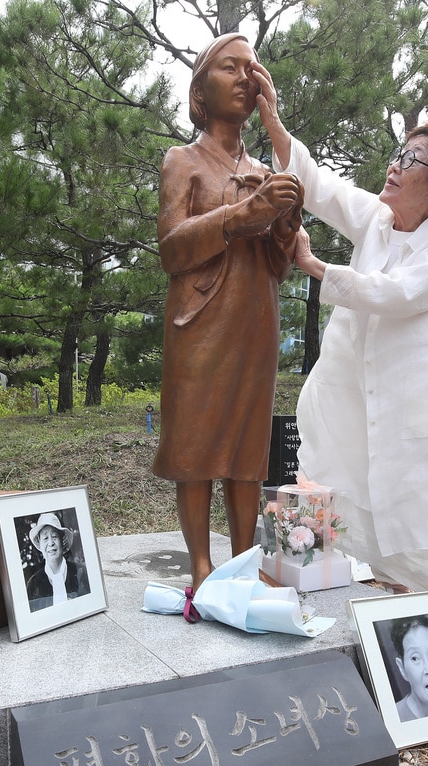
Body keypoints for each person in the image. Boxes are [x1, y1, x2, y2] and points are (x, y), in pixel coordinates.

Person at [253, 63, 428, 654]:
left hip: (426, 381)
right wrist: (273, 119)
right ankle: (370, 586)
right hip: (355, 376)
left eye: (410, 161)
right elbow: (317, 185)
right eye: (399, 154)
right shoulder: (377, 220)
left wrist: (316, 267)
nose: (394, 167)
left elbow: (400, 294)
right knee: (352, 469)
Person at [153, 33, 303, 593]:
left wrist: (284, 228)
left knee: (247, 451)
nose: (245, 77)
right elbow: (171, 249)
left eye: (253, 69)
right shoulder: (182, 161)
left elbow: (277, 266)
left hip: (254, 323)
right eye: (229, 67)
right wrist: (243, 214)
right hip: (199, 325)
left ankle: (245, 560)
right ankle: (201, 564)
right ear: (200, 88)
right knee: (194, 446)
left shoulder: (265, 170)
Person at [24, 512, 90, 611]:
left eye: (54, 537)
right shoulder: (34, 584)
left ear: (62, 540)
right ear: (40, 544)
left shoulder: (81, 573)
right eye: (45, 538)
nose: (51, 543)